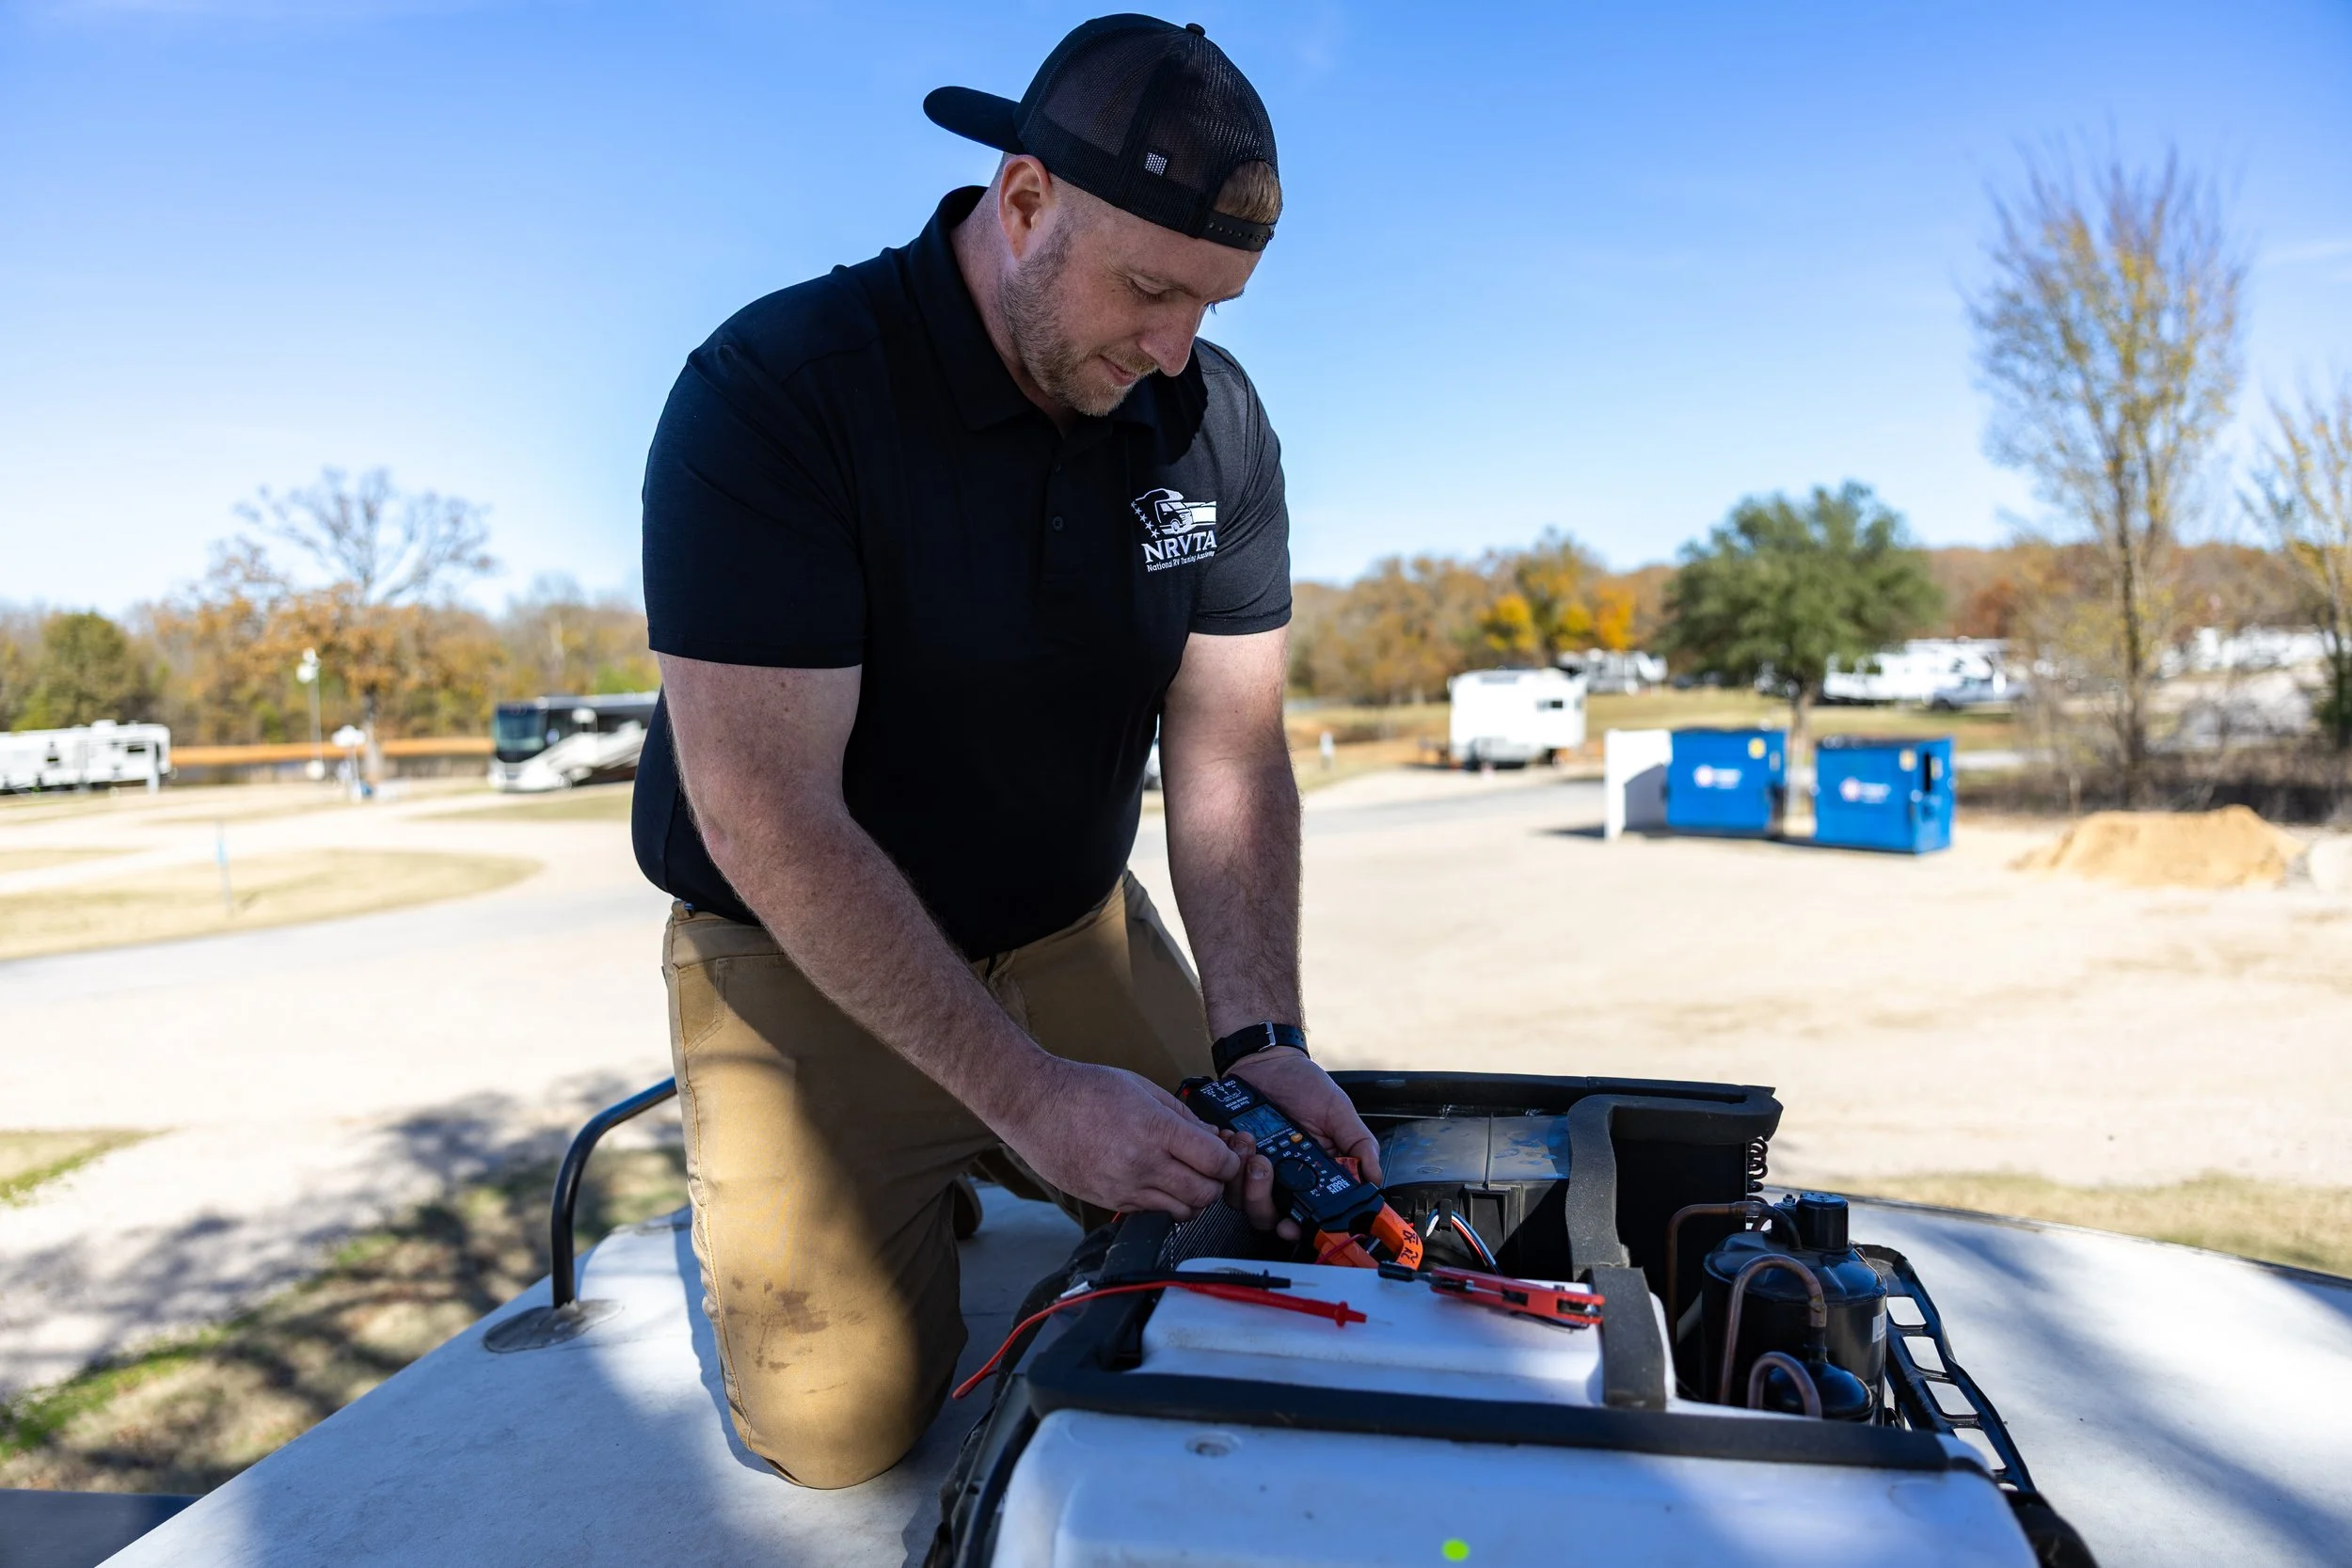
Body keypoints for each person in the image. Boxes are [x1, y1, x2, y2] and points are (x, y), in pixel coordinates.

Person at [630, 14, 1378, 1489]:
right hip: (802, 949)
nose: (1176, 349)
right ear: (1023, 199)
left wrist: (1262, 1040)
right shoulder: (780, 392)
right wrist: (1029, 1095)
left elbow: (1228, 753)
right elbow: (765, 810)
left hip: (1067, 928)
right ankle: (943, 1153)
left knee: (1272, 1213)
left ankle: (976, 1151)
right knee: (840, 1436)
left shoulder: (1209, 422)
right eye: (1152, 288)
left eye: (1211, 309)